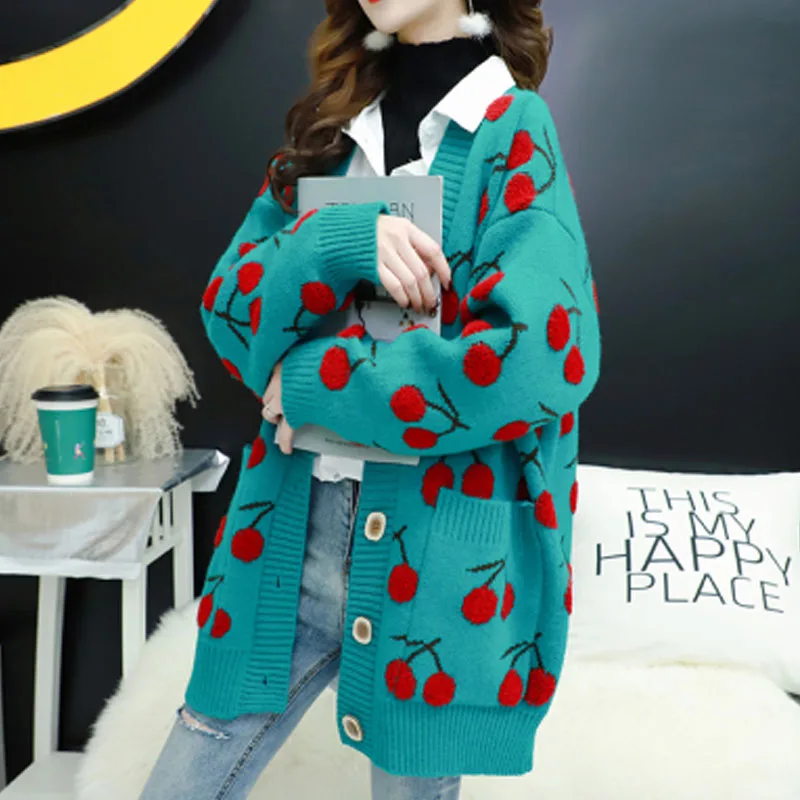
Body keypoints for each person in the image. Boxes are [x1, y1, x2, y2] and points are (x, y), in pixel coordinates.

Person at [141, 0, 601, 797]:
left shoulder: (510, 128)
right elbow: (229, 311)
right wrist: (340, 237)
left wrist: (319, 386)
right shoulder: (331, 130)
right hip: (288, 537)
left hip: (436, 563)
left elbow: (539, 356)